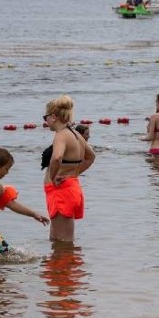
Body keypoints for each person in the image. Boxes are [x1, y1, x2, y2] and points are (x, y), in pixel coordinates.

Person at [43, 95, 96, 242]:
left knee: (64, 243)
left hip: (61, 192)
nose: (45, 121)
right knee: (55, 240)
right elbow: (91, 157)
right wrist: (74, 174)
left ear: (53, 117)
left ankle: (68, 265)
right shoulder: (76, 134)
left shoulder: (61, 135)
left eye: (45, 117)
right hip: (70, 188)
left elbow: (57, 157)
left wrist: (53, 178)